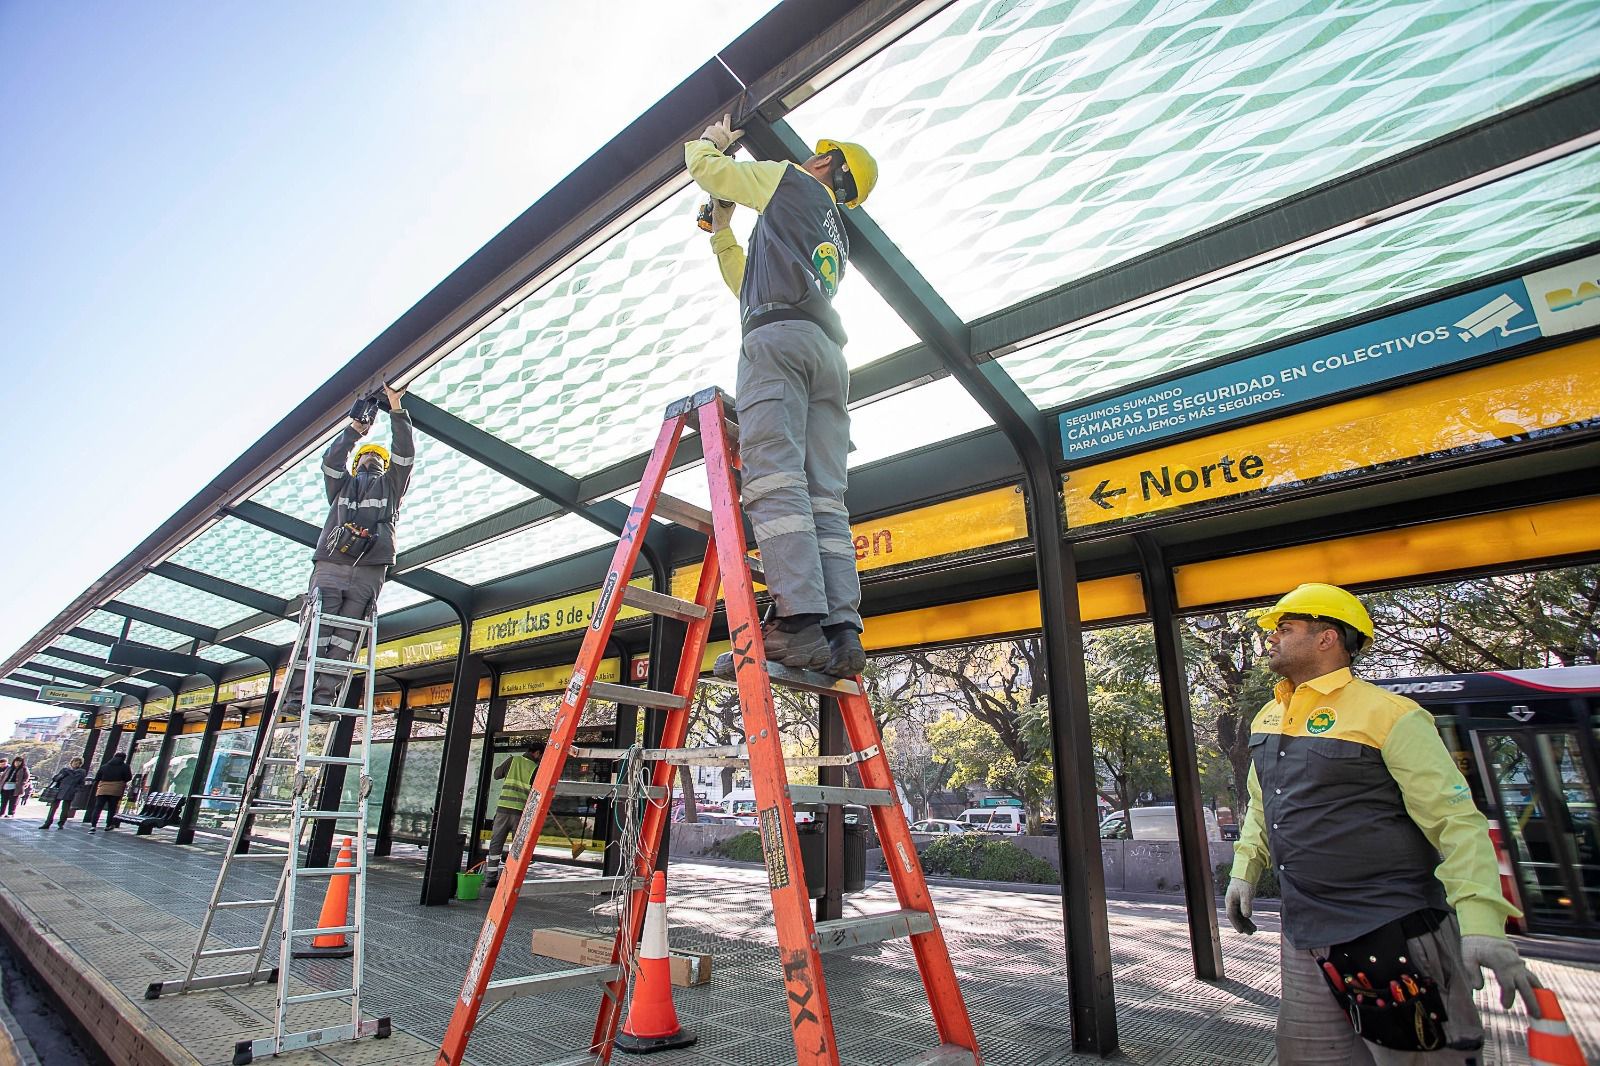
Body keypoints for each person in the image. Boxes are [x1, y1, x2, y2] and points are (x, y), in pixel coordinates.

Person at [1226, 583, 1540, 1063]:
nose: (1271, 638)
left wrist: (1482, 924)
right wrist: (1244, 869)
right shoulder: (1270, 715)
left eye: (1284, 628)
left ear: (1326, 637)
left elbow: (1456, 822)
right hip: (1304, 935)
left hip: (1393, 930)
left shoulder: (1391, 715)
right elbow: (1262, 803)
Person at [686, 116, 878, 680]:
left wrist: (714, 142)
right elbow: (747, 284)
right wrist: (721, 229)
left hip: (777, 349)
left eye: (822, 155)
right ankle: (842, 635)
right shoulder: (833, 236)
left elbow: (704, 166)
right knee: (825, 497)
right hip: (827, 357)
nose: (812, 157)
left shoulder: (790, 182)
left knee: (775, 479)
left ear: (829, 166)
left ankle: (796, 627)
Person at [282, 383, 414, 711]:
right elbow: (330, 461)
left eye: (377, 456)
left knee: (345, 639)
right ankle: (298, 698)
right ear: (357, 463)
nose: (374, 459)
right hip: (332, 565)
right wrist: (355, 430)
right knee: (317, 631)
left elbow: (405, 456)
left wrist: (397, 410)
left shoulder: (391, 486)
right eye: (367, 455)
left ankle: (323, 700)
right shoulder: (342, 487)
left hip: (369, 571)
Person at [485, 740, 539, 881]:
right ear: (537, 753)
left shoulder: (512, 760)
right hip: (520, 814)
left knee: (496, 844)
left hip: (503, 811)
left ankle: (490, 877)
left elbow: (497, 774)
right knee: (518, 848)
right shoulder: (535, 768)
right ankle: (511, 880)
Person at [86, 751, 132, 832]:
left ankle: (93, 825)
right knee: (112, 808)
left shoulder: (104, 766)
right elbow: (128, 777)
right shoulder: (125, 767)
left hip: (103, 788)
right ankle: (108, 825)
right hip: (116, 789)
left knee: (98, 807)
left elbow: (97, 777)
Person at [39, 757, 88, 829]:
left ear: (80, 764)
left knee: (64, 808)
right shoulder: (66, 771)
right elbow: (56, 779)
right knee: (54, 808)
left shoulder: (79, 772)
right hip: (60, 790)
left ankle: (60, 823)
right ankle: (49, 823)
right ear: (71, 763)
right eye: (74, 762)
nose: (75, 764)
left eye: (78, 763)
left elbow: (80, 783)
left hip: (68, 791)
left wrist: (75, 789)